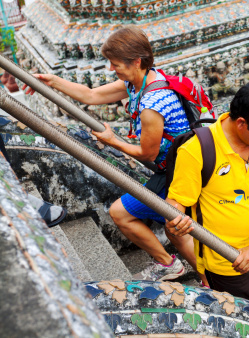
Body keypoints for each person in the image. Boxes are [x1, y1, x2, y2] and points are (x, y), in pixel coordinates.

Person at [23, 25, 201, 283]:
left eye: (115, 64)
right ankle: (197, 273)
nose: (111, 69)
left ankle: (189, 271)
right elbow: (92, 95)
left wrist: (112, 141)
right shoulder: (142, 80)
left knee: (129, 216)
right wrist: (52, 81)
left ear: (136, 61)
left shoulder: (153, 104)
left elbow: (147, 154)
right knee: (175, 229)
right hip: (174, 166)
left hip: (178, 173)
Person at [165, 79, 249, 303]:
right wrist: (175, 220)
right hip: (226, 262)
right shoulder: (197, 151)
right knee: (244, 319)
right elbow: (176, 203)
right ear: (241, 123)